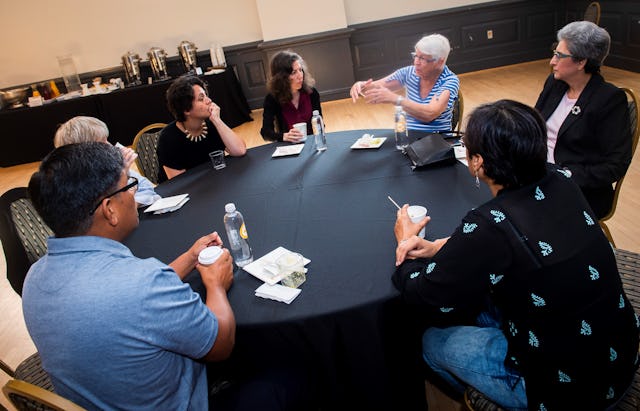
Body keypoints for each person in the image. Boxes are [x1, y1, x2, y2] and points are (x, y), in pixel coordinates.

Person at [392, 100, 639, 410]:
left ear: (477, 163)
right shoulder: (562, 180)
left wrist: (405, 244)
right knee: (476, 299)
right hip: (619, 352)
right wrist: (443, 246)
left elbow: (422, 293)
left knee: (429, 340)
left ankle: (496, 396)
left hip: (569, 390)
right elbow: (523, 241)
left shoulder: (488, 224)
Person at [23, 142, 236, 410]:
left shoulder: (34, 278)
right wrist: (216, 285)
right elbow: (220, 344)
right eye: (128, 186)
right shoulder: (142, 282)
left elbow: (129, 303)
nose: (134, 194)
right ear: (109, 209)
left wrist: (190, 257)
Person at [535, 21, 631, 219]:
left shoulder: (608, 99)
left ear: (581, 62)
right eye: (554, 52)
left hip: (580, 189)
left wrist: (565, 175)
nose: (552, 61)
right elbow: (533, 125)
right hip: (539, 174)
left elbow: (615, 164)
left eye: (559, 56)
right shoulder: (555, 83)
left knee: (517, 212)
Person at [349, 34, 459, 133]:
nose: (416, 62)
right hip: (408, 137)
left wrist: (396, 99)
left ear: (439, 61)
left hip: (437, 142)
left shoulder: (449, 81)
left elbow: (429, 114)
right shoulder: (409, 72)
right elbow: (373, 88)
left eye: (422, 58)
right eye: (415, 56)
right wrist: (361, 86)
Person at [54, 115, 161, 206]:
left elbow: (147, 188)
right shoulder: (77, 186)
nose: (110, 146)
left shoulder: (110, 165)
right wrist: (123, 175)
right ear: (84, 152)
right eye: (103, 142)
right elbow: (112, 213)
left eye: (107, 140)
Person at [157, 75, 246, 181]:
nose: (209, 100)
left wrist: (217, 121)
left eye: (206, 95)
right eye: (201, 98)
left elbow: (240, 150)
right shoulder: (169, 138)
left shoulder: (212, 124)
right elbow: (178, 183)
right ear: (186, 109)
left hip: (215, 182)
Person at [260, 50, 321, 142]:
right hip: (288, 147)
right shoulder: (272, 99)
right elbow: (266, 132)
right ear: (282, 77)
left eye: (300, 70)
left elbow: (320, 124)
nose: (300, 76)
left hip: (312, 143)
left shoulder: (312, 93)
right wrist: (283, 136)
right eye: (293, 72)